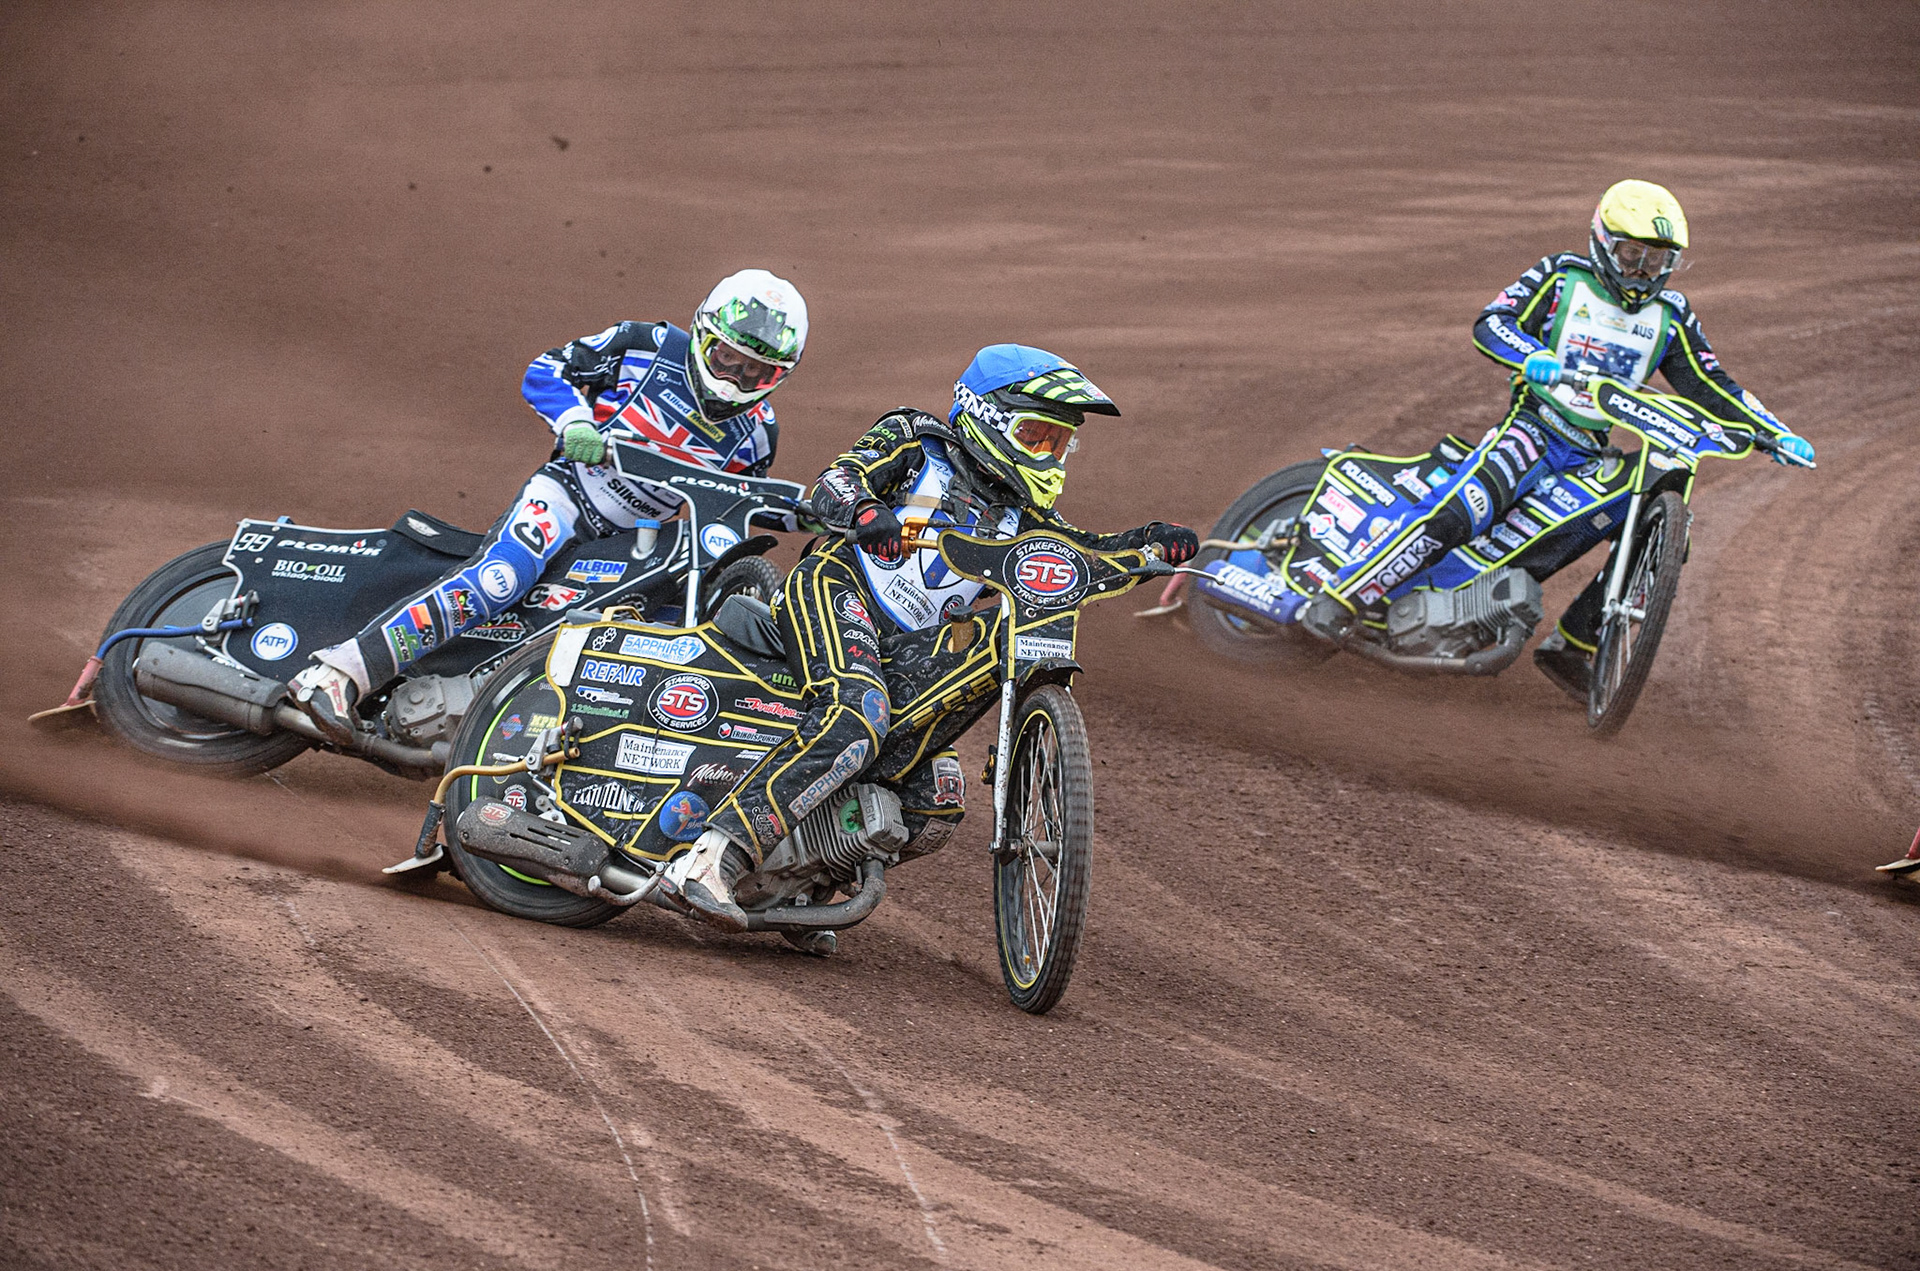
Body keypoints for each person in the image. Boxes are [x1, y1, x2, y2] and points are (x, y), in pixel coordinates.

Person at [661, 344, 1200, 933]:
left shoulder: (1027, 517)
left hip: (906, 643)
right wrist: (867, 512)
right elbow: (835, 480)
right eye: (1038, 436)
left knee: (935, 795)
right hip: (839, 587)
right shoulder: (917, 441)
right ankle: (713, 856)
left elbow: (1090, 550)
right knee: (856, 716)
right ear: (990, 416)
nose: (1050, 455)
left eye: (1059, 443)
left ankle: (799, 883)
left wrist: (1153, 543)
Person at [1299, 180, 1815, 697]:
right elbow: (1492, 322)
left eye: (1656, 262)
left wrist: (1776, 434)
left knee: (1661, 520)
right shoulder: (1561, 277)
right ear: (1602, 241)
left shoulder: (1671, 317)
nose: (1641, 272)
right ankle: (1341, 599)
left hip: (1589, 453)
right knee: (1466, 510)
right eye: (1632, 254)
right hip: (1532, 429)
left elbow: (1713, 386)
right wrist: (1530, 355)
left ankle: (1574, 645)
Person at [288, 269, 808, 743]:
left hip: (639, 542)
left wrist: (815, 512)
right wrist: (576, 423)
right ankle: (340, 672)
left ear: (778, 376)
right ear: (704, 334)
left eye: (755, 373)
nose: (735, 377)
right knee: (501, 578)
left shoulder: (758, 435)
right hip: (567, 496)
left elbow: (740, 504)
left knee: (653, 632)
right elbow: (548, 369)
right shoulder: (645, 344)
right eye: (727, 359)